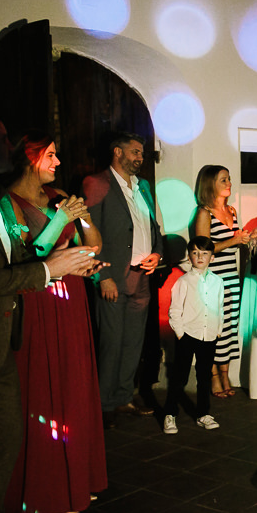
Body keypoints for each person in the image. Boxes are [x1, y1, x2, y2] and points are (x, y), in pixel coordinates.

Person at [0, 110, 103, 513]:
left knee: (4, 443)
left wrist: (63, 256)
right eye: (1, 139)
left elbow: (22, 255)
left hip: (5, 336)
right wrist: (48, 270)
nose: (10, 148)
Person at [0, 132, 108, 513]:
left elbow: (92, 245)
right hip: (38, 302)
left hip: (73, 301)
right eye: (51, 155)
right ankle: (44, 490)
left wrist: (82, 221)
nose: (58, 162)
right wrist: (61, 221)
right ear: (30, 159)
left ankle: (76, 480)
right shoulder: (7, 204)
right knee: (42, 392)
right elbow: (29, 257)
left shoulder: (61, 195)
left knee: (72, 387)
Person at [82, 132, 163, 429]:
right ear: (117, 152)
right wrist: (102, 276)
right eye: (135, 152)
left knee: (132, 343)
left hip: (142, 276)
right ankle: (103, 406)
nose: (140, 158)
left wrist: (157, 252)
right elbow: (88, 234)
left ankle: (123, 397)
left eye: (141, 153)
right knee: (111, 343)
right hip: (113, 277)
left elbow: (153, 226)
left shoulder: (143, 187)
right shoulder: (96, 184)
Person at [192, 165, 253, 398]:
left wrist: (246, 239)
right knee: (214, 328)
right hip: (212, 278)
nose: (229, 183)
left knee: (228, 328)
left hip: (231, 276)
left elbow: (233, 241)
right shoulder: (204, 213)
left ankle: (226, 375)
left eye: (229, 179)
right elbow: (202, 249)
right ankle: (213, 378)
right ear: (210, 184)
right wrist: (233, 240)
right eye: (223, 180)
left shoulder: (232, 211)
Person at [163, 236, 225, 434]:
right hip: (188, 334)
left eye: (204, 253)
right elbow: (175, 310)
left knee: (204, 376)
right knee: (180, 377)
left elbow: (220, 307)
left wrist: (218, 329)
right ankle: (170, 414)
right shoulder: (183, 282)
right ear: (189, 256)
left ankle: (203, 414)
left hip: (209, 335)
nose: (200, 257)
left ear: (212, 257)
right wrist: (181, 333)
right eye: (196, 253)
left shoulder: (217, 281)